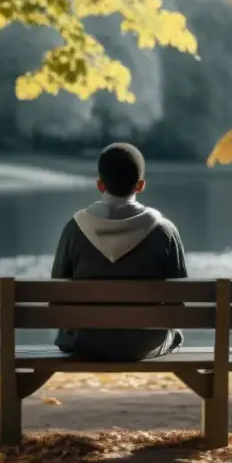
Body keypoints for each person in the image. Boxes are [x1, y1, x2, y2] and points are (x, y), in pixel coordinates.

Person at [51, 142, 187, 361]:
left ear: (100, 184)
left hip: (85, 342)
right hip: (144, 343)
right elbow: (179, 304)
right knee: (174, 335)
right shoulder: (164, 231)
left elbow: (56, 298)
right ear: (141, 185)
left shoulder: (75, 228)